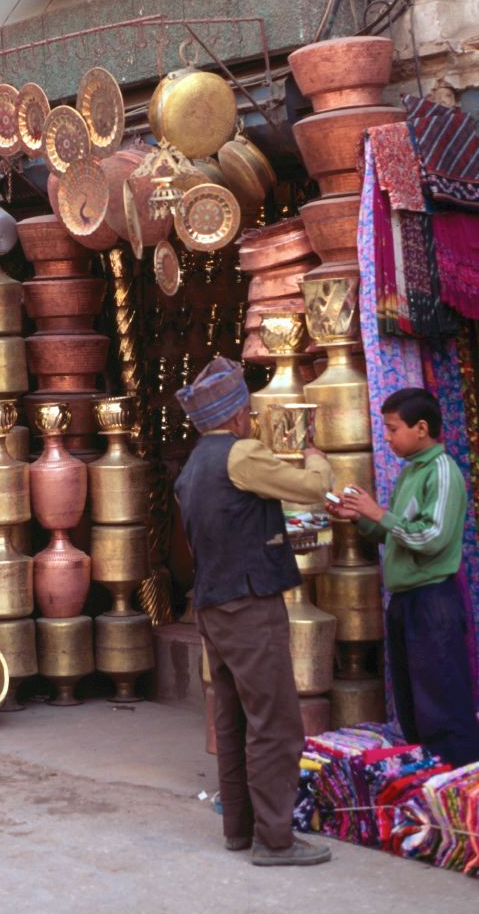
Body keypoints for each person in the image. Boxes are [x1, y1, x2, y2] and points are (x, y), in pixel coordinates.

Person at [174, 356, 333, 867]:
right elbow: (312, 490)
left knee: (235, 719)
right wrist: (315, 458)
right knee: (276, 724)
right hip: (248, 605)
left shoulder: (194, 464)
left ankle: (240, 831)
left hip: (214, 605)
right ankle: (275, 840)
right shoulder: (239, 455)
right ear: (239, 413)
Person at [338, 387, 479, 768]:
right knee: (414, 702)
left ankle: (460, 784)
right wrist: (361, 517)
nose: (387, 437)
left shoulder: (441, 470)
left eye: (392, 428)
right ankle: (427, 784)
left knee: (443, 703)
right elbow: (395, 535)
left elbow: (432, 538)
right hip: (406, 602)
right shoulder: (411, 472)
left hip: (432, 602)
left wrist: (379, 513)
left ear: (421, 428)